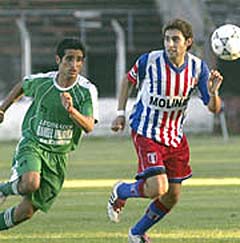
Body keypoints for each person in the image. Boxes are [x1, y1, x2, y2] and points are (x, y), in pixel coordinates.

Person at [107, 18, 223, 243]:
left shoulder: (198, 68)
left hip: (175, 137)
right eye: (167, 39)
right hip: (146, 131)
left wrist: (214, 91)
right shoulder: (149, 60)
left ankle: (137, 232)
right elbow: (127, 81)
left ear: (188, 42)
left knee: (172, 196)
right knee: (157, 187)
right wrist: (120, 112)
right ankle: (121, 191)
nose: (170, 44)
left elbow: (214, 109)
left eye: (176, 40)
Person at [0, 38, 99, 230]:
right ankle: (3, 189)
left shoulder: (86, 91)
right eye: (69, 59)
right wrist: (3, 109)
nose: (74, 65)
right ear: (58, 60)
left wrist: (71, 111)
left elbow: (88, 126)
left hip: (59, 156)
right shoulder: (44, 83)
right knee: (30, 183)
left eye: (79, 60)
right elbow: (22, 85)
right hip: (33, 144)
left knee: (26, 212)